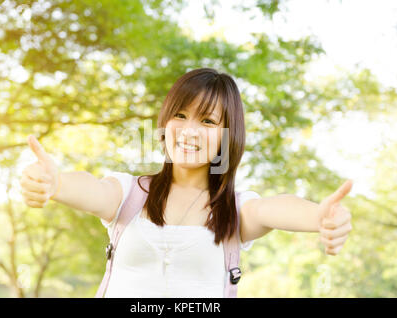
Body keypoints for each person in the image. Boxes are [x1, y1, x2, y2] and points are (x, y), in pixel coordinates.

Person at [20, 68, 353, 297]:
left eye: (207, 121)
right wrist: (56, 184)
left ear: (226, 137)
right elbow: (92, 189)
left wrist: (318, 216)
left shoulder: (234, 210)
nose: (190, 130)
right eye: (180, 115)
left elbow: (273, 209)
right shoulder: (130, 194)